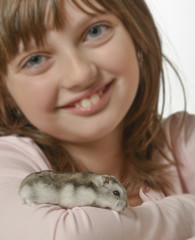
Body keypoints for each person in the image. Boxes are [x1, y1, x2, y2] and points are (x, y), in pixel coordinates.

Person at [0, 0, 195, 239]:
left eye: (95, 31)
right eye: (35, 60)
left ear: (136, 31)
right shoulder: (7, 161)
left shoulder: (183, 140)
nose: (80, 74)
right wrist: (188, 210)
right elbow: (71, 235)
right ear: (5, 91)